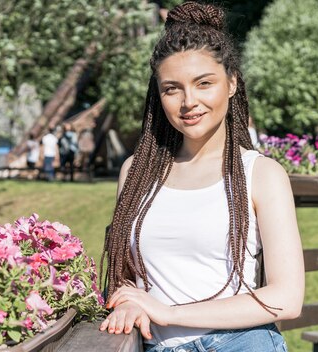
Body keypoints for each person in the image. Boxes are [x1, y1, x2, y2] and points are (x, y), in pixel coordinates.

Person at [99, 3, 304, 352]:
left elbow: (286, 299)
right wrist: (130, 302)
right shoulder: (135, 173)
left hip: (243, 344)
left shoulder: (261, 174)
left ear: (232, 83)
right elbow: (125, 278)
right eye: (172, 88)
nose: (188, 101)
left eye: (204, 83)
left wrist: (168, 312)